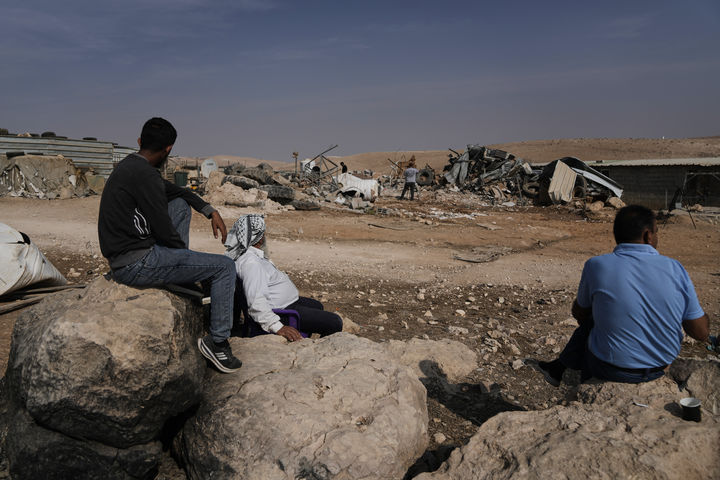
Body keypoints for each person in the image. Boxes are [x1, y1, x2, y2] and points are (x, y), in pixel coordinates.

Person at [98, 117, 242, 374]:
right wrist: (187, 261)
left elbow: (180, 192)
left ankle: (179, 277)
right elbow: (164, 231)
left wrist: (210, 210)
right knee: (224, 267)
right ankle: (218, 343)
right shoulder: (146, 176)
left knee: (179, 205)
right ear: (168, 150)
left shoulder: (132, 166)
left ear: (140, 141)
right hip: (136, 263)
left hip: (127, 255)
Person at [536, 205, 709, 386]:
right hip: (658, 369)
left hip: (608, 368)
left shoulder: (596, 265)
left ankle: (562, 370)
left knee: (594, 320)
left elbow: (580, 314)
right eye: (656, 232)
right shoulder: (675, 268)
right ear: (648, 235)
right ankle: (558, 368)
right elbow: (701, 333)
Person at [224, 214, 343, 342]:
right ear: (258, 238)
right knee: (334, 322)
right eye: (263, 234)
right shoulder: (251, 263)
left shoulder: (248, 256)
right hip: (280, 311)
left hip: (284, 303)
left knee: (316, 305)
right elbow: (256, 300)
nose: (264, 236)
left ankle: (306, 337)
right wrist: (277, 326)